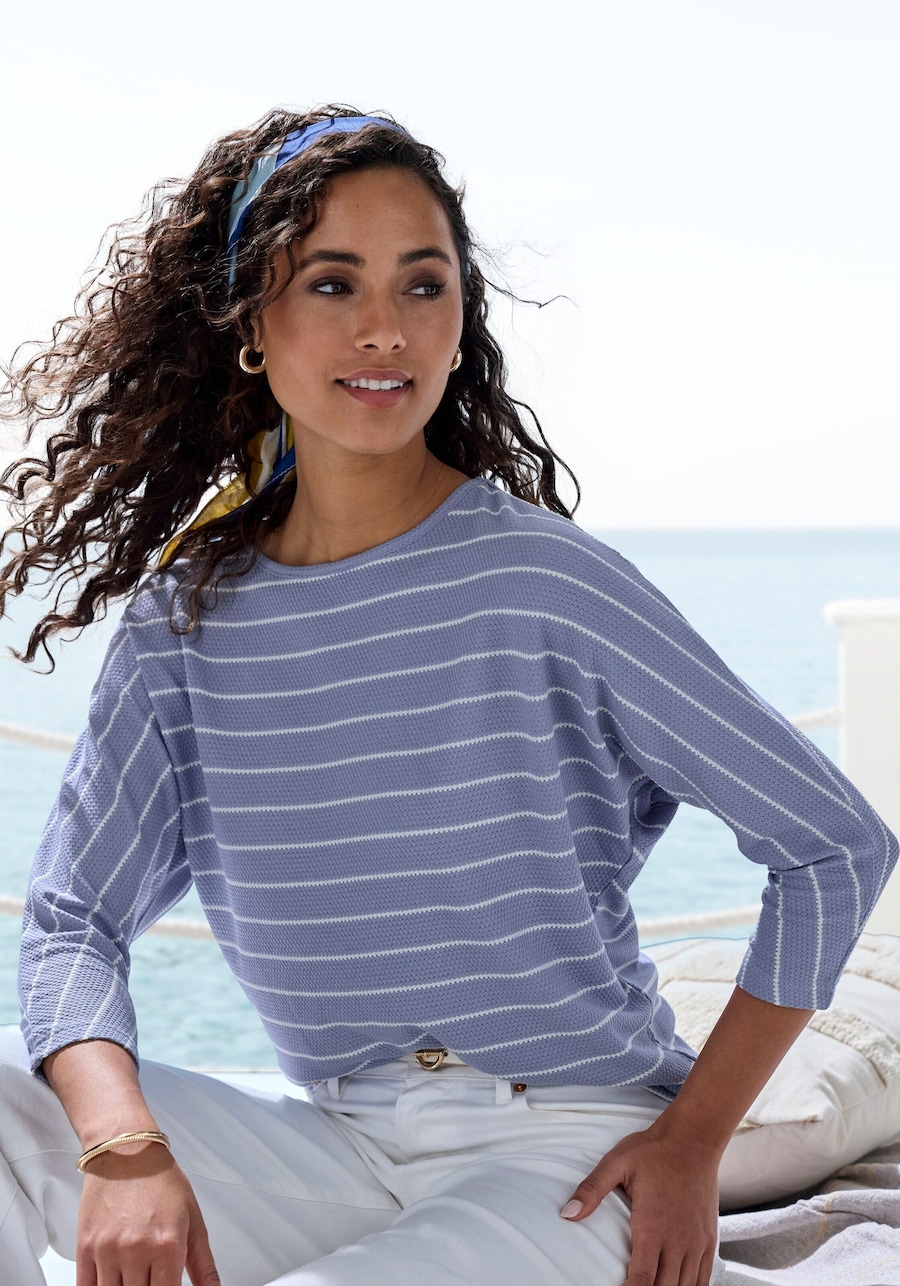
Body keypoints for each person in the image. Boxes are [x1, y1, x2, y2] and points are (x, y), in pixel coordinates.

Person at [0, 107, 895, 1286]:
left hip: (568, 1160)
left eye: (423, 286)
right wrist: (123, 1146)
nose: (385, 328)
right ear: (250, 324)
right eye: (333, 283)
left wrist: (693, 1139)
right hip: (336, 1138)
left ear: (460, 319)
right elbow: (72, 917)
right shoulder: (186, 625)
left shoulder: (545, 581)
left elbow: (833, 845)